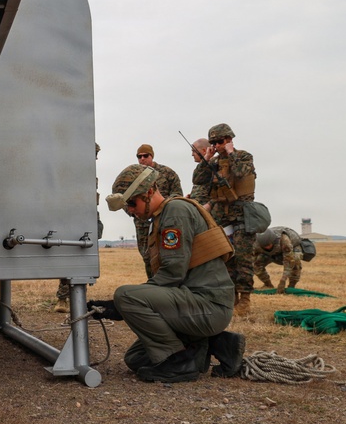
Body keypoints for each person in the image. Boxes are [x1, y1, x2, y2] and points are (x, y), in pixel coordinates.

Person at [104, 164, 244, 382]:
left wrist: (118, 305)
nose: (130, 210)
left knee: (125, 295)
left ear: (150, 191)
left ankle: (180, 362)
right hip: (195, 302)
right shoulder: (162, 217)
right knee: (136, 359)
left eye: (132, 203)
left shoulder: (175, 212)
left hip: (208, 305)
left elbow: (172, 274)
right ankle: (215, 344)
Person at [191, 123, 258, 315]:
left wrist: (231, 154)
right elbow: (198, 179)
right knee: (226, 258)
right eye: (213, 143)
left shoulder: (244, 156)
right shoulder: (214, 163)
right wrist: (207, 158)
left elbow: (240, 173)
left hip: (242, 216)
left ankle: (245, 299)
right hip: (221, 218)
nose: (217, 145)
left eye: (220, 142)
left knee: (244, 259)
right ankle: (232, 297)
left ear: (229, 140)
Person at [55, 143, 102, 313]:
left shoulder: (92, 175)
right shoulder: (69, 171)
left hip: (88, 217)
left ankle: (79, 300)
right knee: (68, 255)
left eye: (96, 155)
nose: (95, 158)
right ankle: (62, 299)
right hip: (70, 217)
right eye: (93, 154)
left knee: (85, 258)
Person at [132, 144, 182, 278]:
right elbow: (125, 199)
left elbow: (177, 195)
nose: (142, 159)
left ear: (152, 156)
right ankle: (152, 284)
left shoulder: (167, 173)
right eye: (139, 156)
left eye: (145, 156)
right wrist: (134, 212)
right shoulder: (133, 176)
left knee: (167, 253)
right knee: (147, 256)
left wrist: (164, 209)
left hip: (164, 221)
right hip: (143, 224)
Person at [255, 226, 304, 292]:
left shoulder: (284, 240)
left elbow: (289, 261)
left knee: (296, 260)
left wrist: (283, 280)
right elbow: (250, 260)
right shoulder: (256, 244)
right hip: (270, 254)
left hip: (292, 249)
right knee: (255, 264)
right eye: (265, 246)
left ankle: (292, 286)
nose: (267, 247)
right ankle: (268, 285)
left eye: (269, 245)